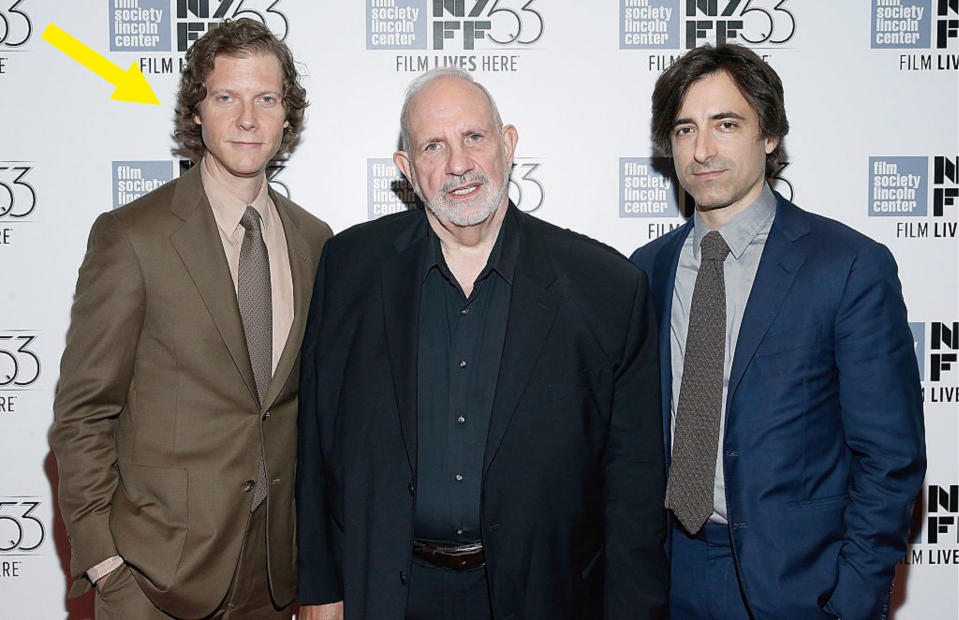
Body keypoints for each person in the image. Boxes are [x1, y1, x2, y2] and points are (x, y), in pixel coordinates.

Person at [296, 68, 667, 620]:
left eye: (475, 137)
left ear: (509, 144)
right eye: (433, 146)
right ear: (406, 169)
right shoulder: (349, 267)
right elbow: (315, 443)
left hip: (543, 596)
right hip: (387, 593)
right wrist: (319, 588)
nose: (459, 164)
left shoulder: (606, 287)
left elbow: (634, 491)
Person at [630, 44, 926, 619]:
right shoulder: (645, 270)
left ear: (769, 136)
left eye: (727, 124)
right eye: (686, 128)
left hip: (798, 585)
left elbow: (889, 458)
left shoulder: (847, 267)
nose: (704, 149)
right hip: (667, 577)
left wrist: (852, 601)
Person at [49, 18, 331, 619]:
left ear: (288, 117)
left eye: (266, 99)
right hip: (154, 580)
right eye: (227, 97)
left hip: (278, 580)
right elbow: (82, 413)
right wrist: (105, 562)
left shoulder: (316, 241)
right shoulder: (132, 236)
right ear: (196, 112)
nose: (248, 118)